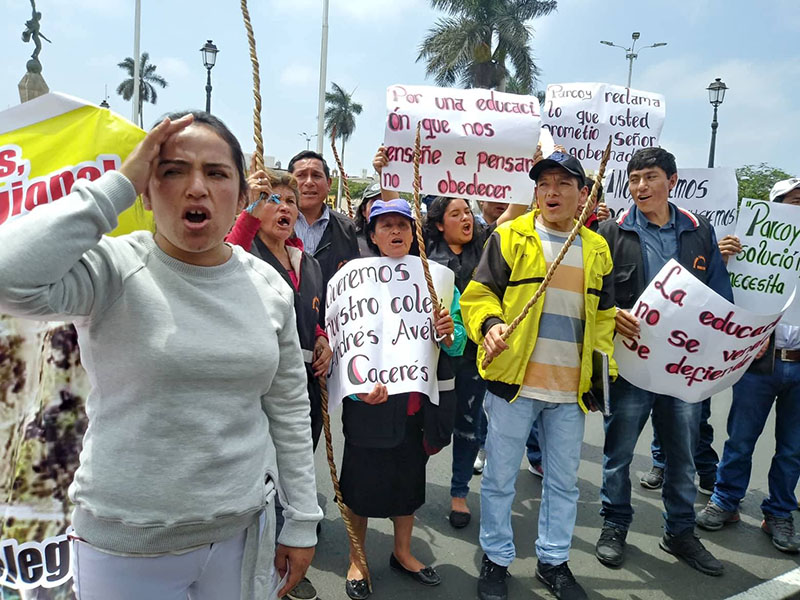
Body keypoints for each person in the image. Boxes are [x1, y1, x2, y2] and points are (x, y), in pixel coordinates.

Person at [0, 112, 322, 599]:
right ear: (146, 193)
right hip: (125, 547)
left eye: (216, 173)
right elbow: (8, 276)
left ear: (241, 197)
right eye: (172, 171)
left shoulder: (267, 284)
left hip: (239, 535)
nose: (196, 188)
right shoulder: (113, 268)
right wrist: (118, 184)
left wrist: (301, 521)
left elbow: (290, 410)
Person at [461, 151, 617, 600]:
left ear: (582, 195)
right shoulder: (510, 236)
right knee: (499, 479)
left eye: (563, 184)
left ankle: (554, 561)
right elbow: (478, 296)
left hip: (571, 393)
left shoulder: (597, 247)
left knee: (564, 483)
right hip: (514, 387)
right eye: (544, 183)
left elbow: (603, 319)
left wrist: (604, 373)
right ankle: (495, 558)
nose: (552, 192)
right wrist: (490, 327)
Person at [595, 147, 732, 577]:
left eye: (650, 177)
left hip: (682, 371)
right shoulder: (609, 233)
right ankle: (614, 525)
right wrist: (611, 313)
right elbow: (595, 296)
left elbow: (719, 294)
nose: (640, 187)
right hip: (631, 369)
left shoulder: (698, 231)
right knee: (618, 455)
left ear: (671, 181)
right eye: (634, 179)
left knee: (682, 455)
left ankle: (680, 532)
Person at [339, 199, 464, 600]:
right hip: (368, 404)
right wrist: (358, 389)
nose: (396, 232)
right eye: (386, 226)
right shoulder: (352, 278)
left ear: (414, 234)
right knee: (358, 485)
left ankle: (403, 551)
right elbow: (344, 341)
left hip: (414, 405)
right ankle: (357, 558)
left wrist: (447, 331)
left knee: (408, 483)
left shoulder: (438, 279)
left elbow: (457, 342)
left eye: (403, 226)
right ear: (372, 235)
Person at [696, 177, 800, 554]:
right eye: (793, 201)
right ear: (775, 207)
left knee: (793, 448)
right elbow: (716, 297)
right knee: (741, 439)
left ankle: (780, 513)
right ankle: (726, 501)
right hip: (760, 361)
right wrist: (723, 260)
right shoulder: (745, 252)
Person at [423, 195, 490, 529]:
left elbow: (512, 213)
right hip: (431, 359)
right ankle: (409, 489)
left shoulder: (488, 250)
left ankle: (459, 495)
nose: (466, 218)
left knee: (468, 425)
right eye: (456, 213)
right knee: (424, 425)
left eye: (468, 212)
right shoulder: (423, 257)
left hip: (474, 357)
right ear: (438, 223)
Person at [287, 150, 360, 285]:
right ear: (289, 182)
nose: (309, 182)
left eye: (316, 175)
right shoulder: (276, 223)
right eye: (301, 176)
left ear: (329, 184)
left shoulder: (347, 229)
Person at [354, 182, 382, 257]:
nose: (380, 206)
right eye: (375, 202)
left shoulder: (408, 242)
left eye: (385, 201)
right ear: (363, 211)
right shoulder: (352, 242)